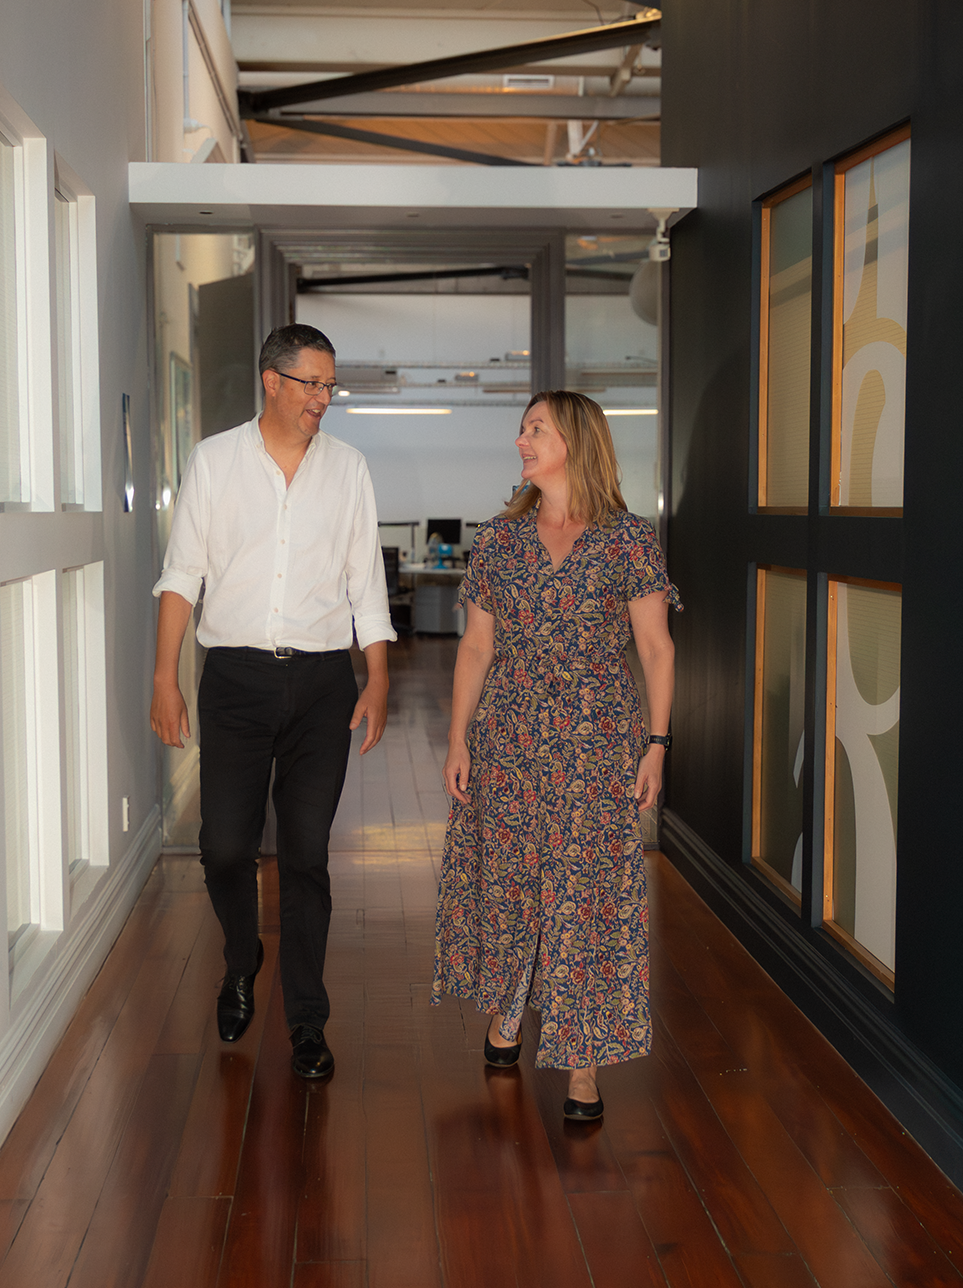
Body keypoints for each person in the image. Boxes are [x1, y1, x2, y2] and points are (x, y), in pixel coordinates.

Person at [150, 323, 395, 1080]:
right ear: (272, 380)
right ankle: (240, 955)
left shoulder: (348, 469)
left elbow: (365, 579)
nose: (324, 398)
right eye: (312, 384)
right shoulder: (215, 462)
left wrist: (378, 677)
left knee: (307, 856)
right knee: (223, 846)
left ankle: (307, 1024)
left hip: (323, 685)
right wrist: (164, 677)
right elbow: (182, 570)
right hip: (234, 682)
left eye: (331, 385)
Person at [432, 390, 680, 1120]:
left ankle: (582, 1060)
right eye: (521, 429)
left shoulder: (627, 539)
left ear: (574, 439)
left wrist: (656, 745)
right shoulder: (498, 542)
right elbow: (476, 646)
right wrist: (457, 739)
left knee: (588, 891)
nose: (522, 440)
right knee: (510, 876)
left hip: (597, 738)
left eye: (535, 428)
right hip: (508, 734)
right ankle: (509, 1005)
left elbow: (656, 649)